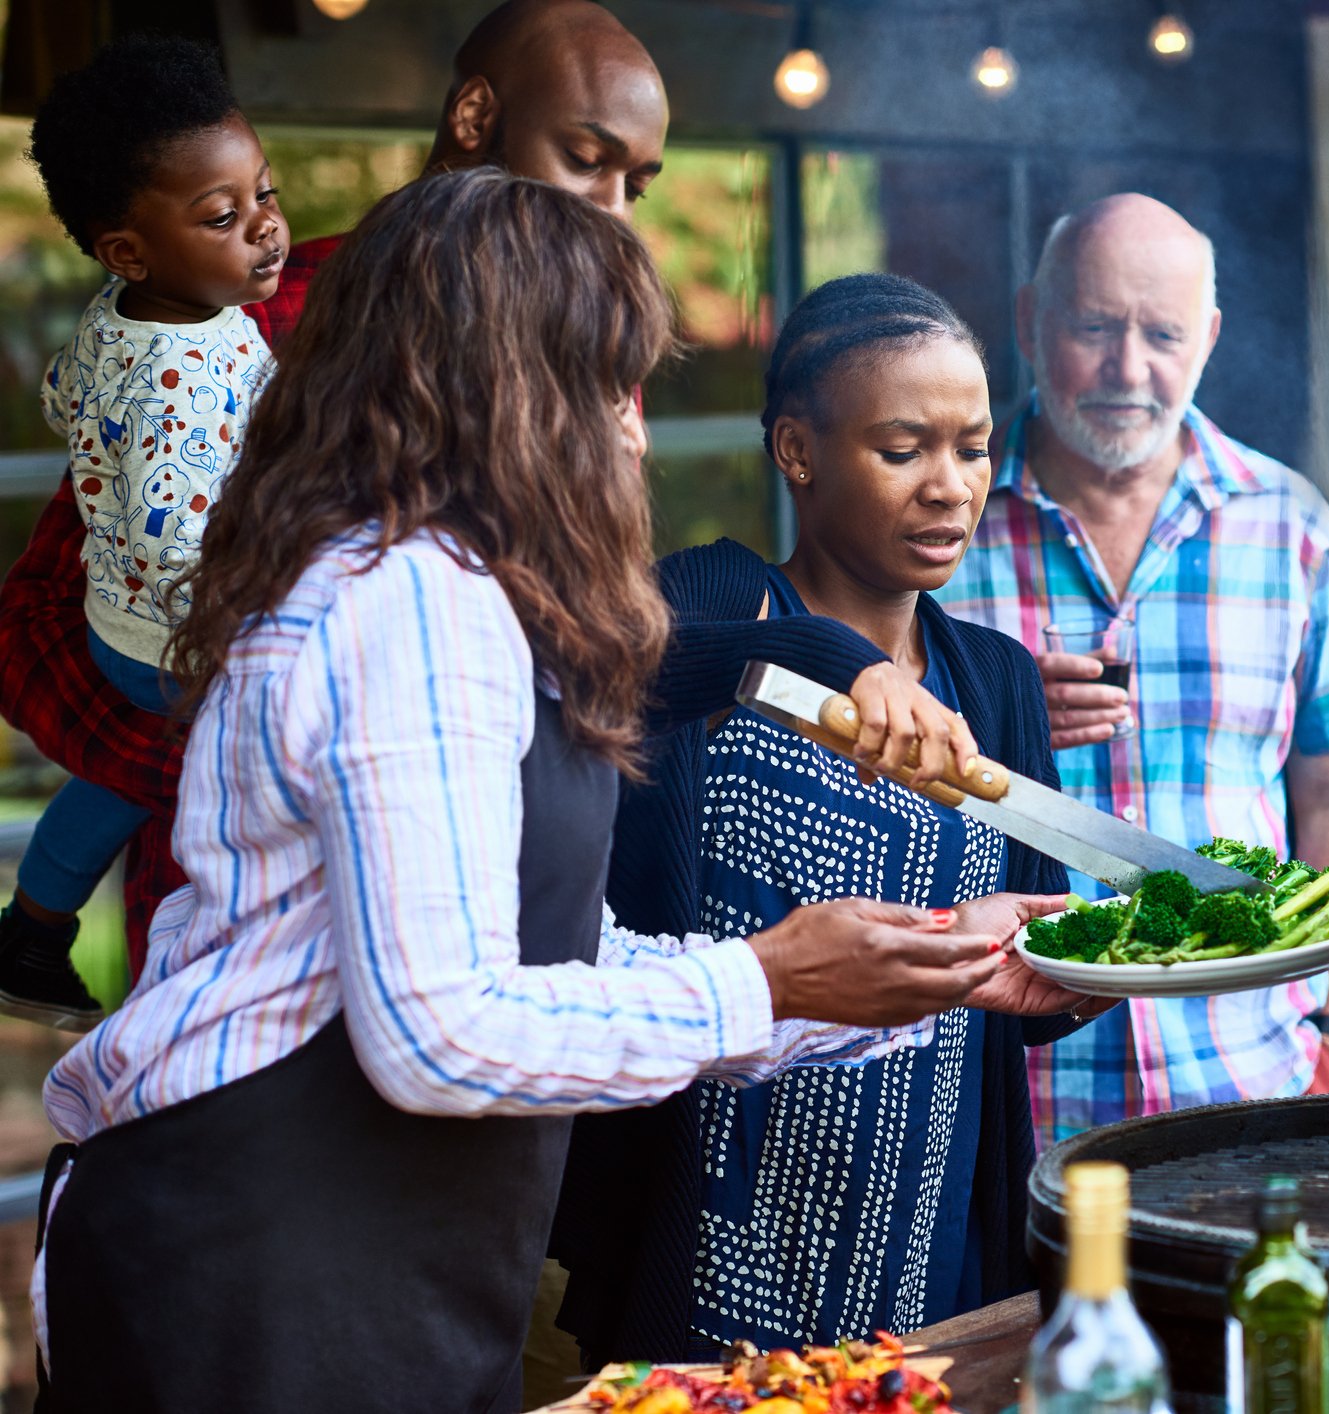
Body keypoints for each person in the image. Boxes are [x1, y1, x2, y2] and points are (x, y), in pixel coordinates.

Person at [31, 169, 1037, 1413]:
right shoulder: (406, 602)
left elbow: (560, 957)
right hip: (257, 1266)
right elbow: (440, 1032)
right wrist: (766, 977)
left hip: (395, 1261)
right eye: (605, 388)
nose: (632, 434)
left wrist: (901, 970)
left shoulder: (475, 604)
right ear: (500, 392)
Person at [0, 0, 671, 985]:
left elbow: (588, 639)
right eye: (585, 158)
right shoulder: (258, 321)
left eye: (636, 185)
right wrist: (242, 778)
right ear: (475, 117)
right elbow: (37, 619)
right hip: (237, 957)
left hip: (493, 936)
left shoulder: (601, 365)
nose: (609, 209)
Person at [554, 274, 1097, 1365]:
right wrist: (826, 655)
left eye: (974, 447)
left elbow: (1028, 993)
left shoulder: (989, 680)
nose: (949, 487)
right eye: (903, 450)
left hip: (925, 1219)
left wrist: (1097, 970)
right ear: (797, 449)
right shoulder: (716, 599)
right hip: (701, 1201)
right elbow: (604, 674)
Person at [933, 194, 1329, 1144]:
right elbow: (847, 787)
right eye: (1095, 327)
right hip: (1002, 1096)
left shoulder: (1290, 524)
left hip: (1251, 1078)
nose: (1129, 369)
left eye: (1163, 334)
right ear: (1029, 320)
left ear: (1210, 338)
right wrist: (992, 722)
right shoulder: (938, 526)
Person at [0, 35, 284, 1031]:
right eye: (223, 215)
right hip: (170, 643)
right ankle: (53, 935)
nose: (265, 228)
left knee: (110, 781)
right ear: (129, 248)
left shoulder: (144, 310)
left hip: (118, 616)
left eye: (265, 194)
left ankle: (32, 922)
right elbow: (175, 546)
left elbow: (62, 391)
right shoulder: (177, 389)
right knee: (158, 787)